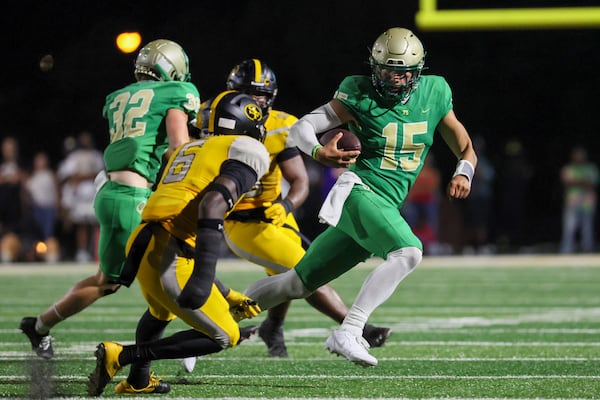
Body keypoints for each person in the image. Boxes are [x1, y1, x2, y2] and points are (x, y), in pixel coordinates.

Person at [243, 27, 477, 367]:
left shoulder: (435, 91)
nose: (395, 79)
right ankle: (350, 331)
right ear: (374, 66)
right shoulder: (358, 91)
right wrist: (318, 152)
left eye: (403, 73)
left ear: (418, 71)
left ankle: (215, 316)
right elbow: (301, 128)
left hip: (383, 202)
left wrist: (463, 171)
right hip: (359, 192)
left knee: (297, 283)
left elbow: (466, 147)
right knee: (408, 252)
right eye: (388, 71)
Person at [182, 60, 390, 370]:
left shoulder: (280, 125)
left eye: (262, 95)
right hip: (240, 220)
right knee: (303, 271)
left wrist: (287, 206)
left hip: (275, 214)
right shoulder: (208, 118)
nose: (257, 102)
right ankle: (354, 326)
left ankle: (272, 328)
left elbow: (300, 181)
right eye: (248, 94)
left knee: (287, 277)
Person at [20, 39, 200, 359]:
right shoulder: (175, 93)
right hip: (133, 197)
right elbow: (179, 147)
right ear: (172, 67)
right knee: (168, 270)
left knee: (113, 280)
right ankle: (194, 341)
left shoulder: (119, 96)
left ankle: (40, 327)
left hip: (114, 192)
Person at [87, 91, 270, 396]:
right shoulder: (244, 149)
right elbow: (212, 206)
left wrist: (225, 293)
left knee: (159, 313)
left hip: (146, 243)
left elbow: (182, 215)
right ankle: (121, 355)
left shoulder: (191, 149)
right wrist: (203, 278)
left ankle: (138, 381)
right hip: (170, 252)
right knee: (225, 335)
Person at [56, 130, 104, 262]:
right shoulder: (74, 157)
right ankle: (82, 251)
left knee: (96, 225)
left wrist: (83, 176)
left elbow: (99, 173)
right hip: (80, 196)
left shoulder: (97, 155)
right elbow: (69, 176)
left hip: (94, 194)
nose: (85, 142)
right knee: (81, 225)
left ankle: (96, 250)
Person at [559, 145, 599, 253]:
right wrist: (583, 181)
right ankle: (566, 250)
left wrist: (576, 181)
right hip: (573, 200)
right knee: (569, 227)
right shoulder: (569, 168)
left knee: (587, 227)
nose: (579, 157)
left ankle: (588, 250)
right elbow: (567, 182)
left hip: (587, 202)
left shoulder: (591, 168)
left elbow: (592, 184)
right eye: (577, 155)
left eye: (581, 155)